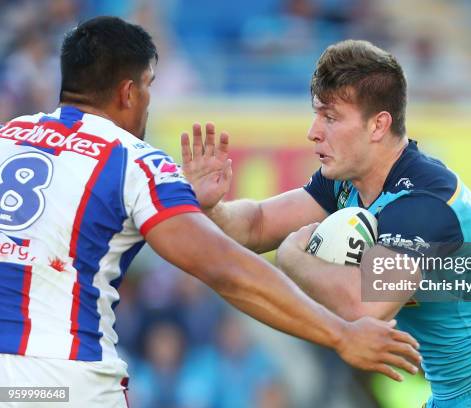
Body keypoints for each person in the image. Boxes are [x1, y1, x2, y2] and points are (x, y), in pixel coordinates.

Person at [0, 17, 421, 407]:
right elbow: (225, 269)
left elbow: (250, 226)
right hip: (64, 381)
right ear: (129, 92)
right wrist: (341, 334)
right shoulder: (133, 160)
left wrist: (202, 208)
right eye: (149, 86)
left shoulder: (8, 136)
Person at [183, 39, 471, 407]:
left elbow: (365, 305)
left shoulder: (423, 201)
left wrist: (294, 258)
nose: (313, 131)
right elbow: (256, 224)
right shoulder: (347, 184)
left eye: (331, 117)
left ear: (378, 125)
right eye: (317, 113)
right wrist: (211, 207)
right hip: (453, 395)